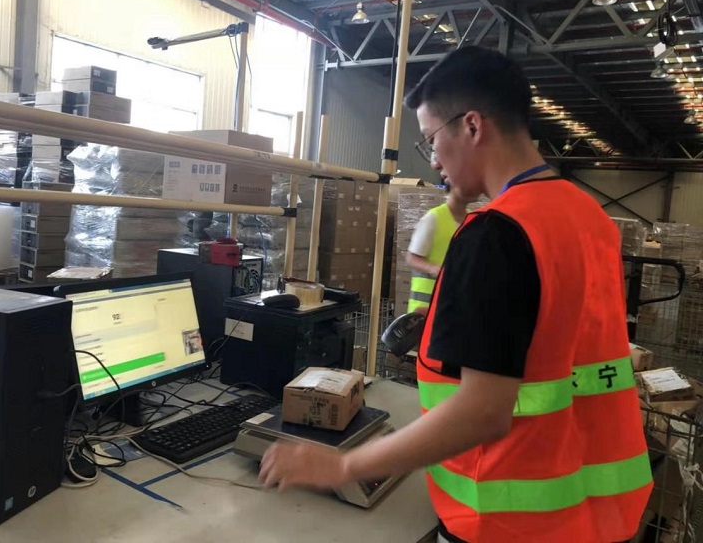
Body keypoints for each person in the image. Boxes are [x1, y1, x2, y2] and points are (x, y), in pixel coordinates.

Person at [258, 46, 650, 543]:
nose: (434, 159)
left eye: (430, 139)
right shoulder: (588, 215)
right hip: (594, 509)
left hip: (509, 518)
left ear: (472, 126)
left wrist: (342, 466)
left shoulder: (498, 233)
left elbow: (482, 412)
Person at [406, 188, 471, 315]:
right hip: (425, 309)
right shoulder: (434, 218)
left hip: (453, 306)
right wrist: (434, 269)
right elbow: (411, 257)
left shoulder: (471, 220)